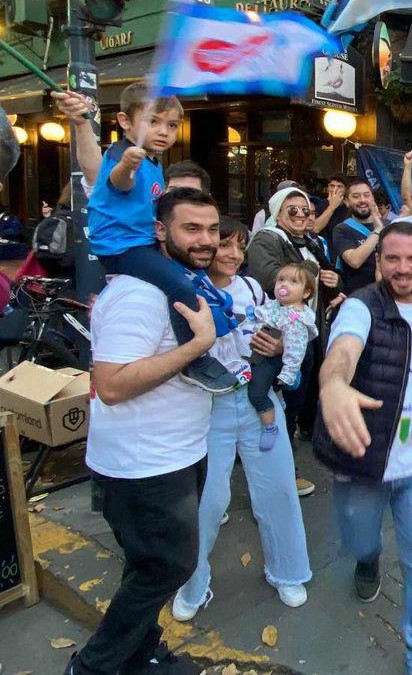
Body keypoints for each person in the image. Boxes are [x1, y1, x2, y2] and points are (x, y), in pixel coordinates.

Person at [67, 188, 221, 675]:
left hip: (178, 453)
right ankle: (92, 667)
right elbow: (111, 385)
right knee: (167, 567)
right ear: (160, 230)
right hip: (142, 466)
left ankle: (141, 655)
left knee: (147, 566)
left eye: (212, 229)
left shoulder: (178, 284)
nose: (205, 239)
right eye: (191, 228)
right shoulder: (138, 294)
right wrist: (197, 344)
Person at [313, 221, 412, 675]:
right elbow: (343, 351)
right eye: (393, 258)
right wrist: (333, 384)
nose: (403, 268)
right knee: (360, 541)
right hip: (366, 459)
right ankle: (368, 560)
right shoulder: (360, 307)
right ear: (379, 261)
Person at [172, 216, 311, 622]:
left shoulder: (253, 287)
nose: (232, 254)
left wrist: (282, 349)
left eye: (239, 245)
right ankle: (192, 583)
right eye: (224, 244)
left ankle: (288, 571)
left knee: (278, 489)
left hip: (258, 400)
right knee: (208, 500)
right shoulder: (186, 289)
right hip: (207, 404)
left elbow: (289, 330)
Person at [87, 80, 235, 393]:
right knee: (179, 284)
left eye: (172, 125)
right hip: (123, 247)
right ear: (125, 121)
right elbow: (120, 182)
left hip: (141, 240)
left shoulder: (153, 161)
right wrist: (126, 165)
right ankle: (195, 359)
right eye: (153, 122)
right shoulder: (124, 154)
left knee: (186, 277)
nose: (164, 131)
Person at [247, 186, 342, 496]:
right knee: (278, 408)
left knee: (294, 404)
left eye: (306, 211)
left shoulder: (310, 242)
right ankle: (276, 479)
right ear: (277, 211)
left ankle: (281, 473)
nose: (301, 215)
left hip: (304, 336)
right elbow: (274, 280)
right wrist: (314, 274)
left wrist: (333, 281)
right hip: (278, 340)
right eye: (293, 210)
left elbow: (319, 285)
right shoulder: (267, 239)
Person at [247, 263, 318, 451]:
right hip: (259, 354)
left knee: (256, 393)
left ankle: (270, 426)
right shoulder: (274, 305)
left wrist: (288, 373)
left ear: (306, 293)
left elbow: (296, 351)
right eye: (281, 280)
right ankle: (278, 399)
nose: (284, 285)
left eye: (293, 282)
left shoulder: (297, 319)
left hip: (274, 360)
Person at [332, 179, 384, 295]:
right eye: (356, 196)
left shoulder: (389, 226)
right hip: (357, 297)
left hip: (386, 295)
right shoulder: (342, 229)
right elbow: (354, 261)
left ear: (372, 198)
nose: (362, 200)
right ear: (346, 202)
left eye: (367, 195)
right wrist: (377, 230)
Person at [311, 174, 349, 245]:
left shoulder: (349, 208)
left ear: (345, 190)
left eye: (339, 186)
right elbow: (315, 229)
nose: (335, 189)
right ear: (328, 188)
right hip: (323, 247)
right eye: (332, 186)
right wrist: (332, 206)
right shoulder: (319, 204)